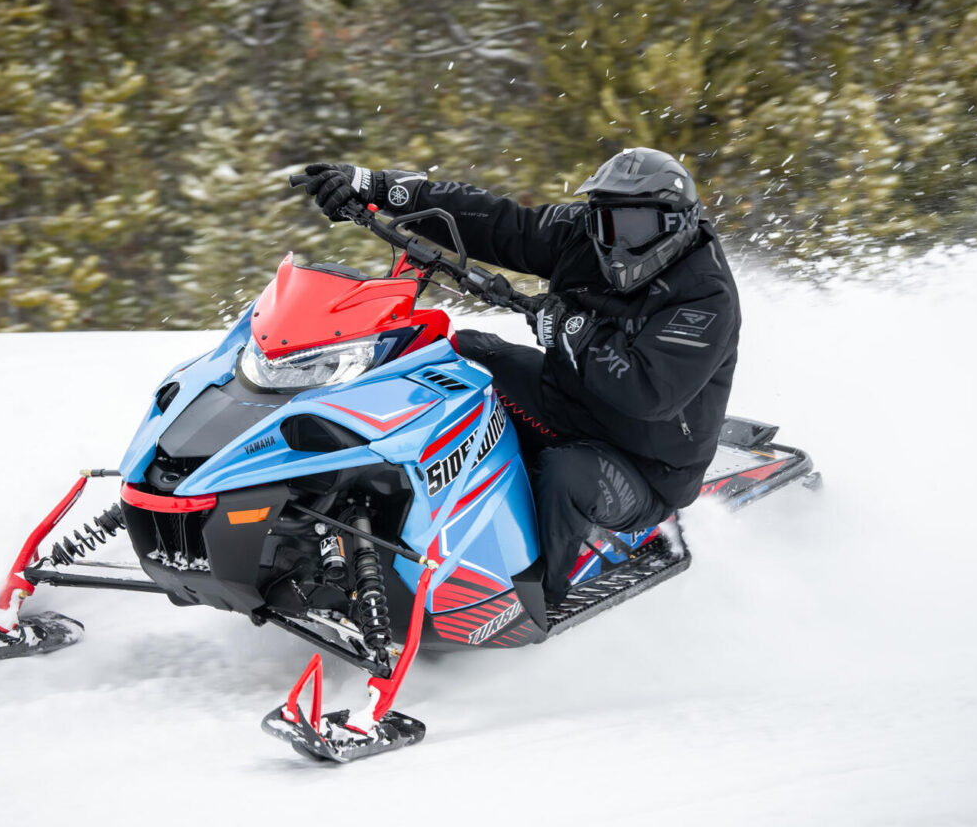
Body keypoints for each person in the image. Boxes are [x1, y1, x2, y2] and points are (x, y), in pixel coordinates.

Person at [300, 149, 739, 606]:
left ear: (676, 224)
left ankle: (537, 601)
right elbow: (497, 221)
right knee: (458, 356)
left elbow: (649, 394)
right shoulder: (584, 235)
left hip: (647, 464)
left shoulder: (706, 295)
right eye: (607, 223)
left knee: (566, 474)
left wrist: (577, 333)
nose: (618, 243)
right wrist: (379, 187)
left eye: (635, 227)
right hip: (569, 403)